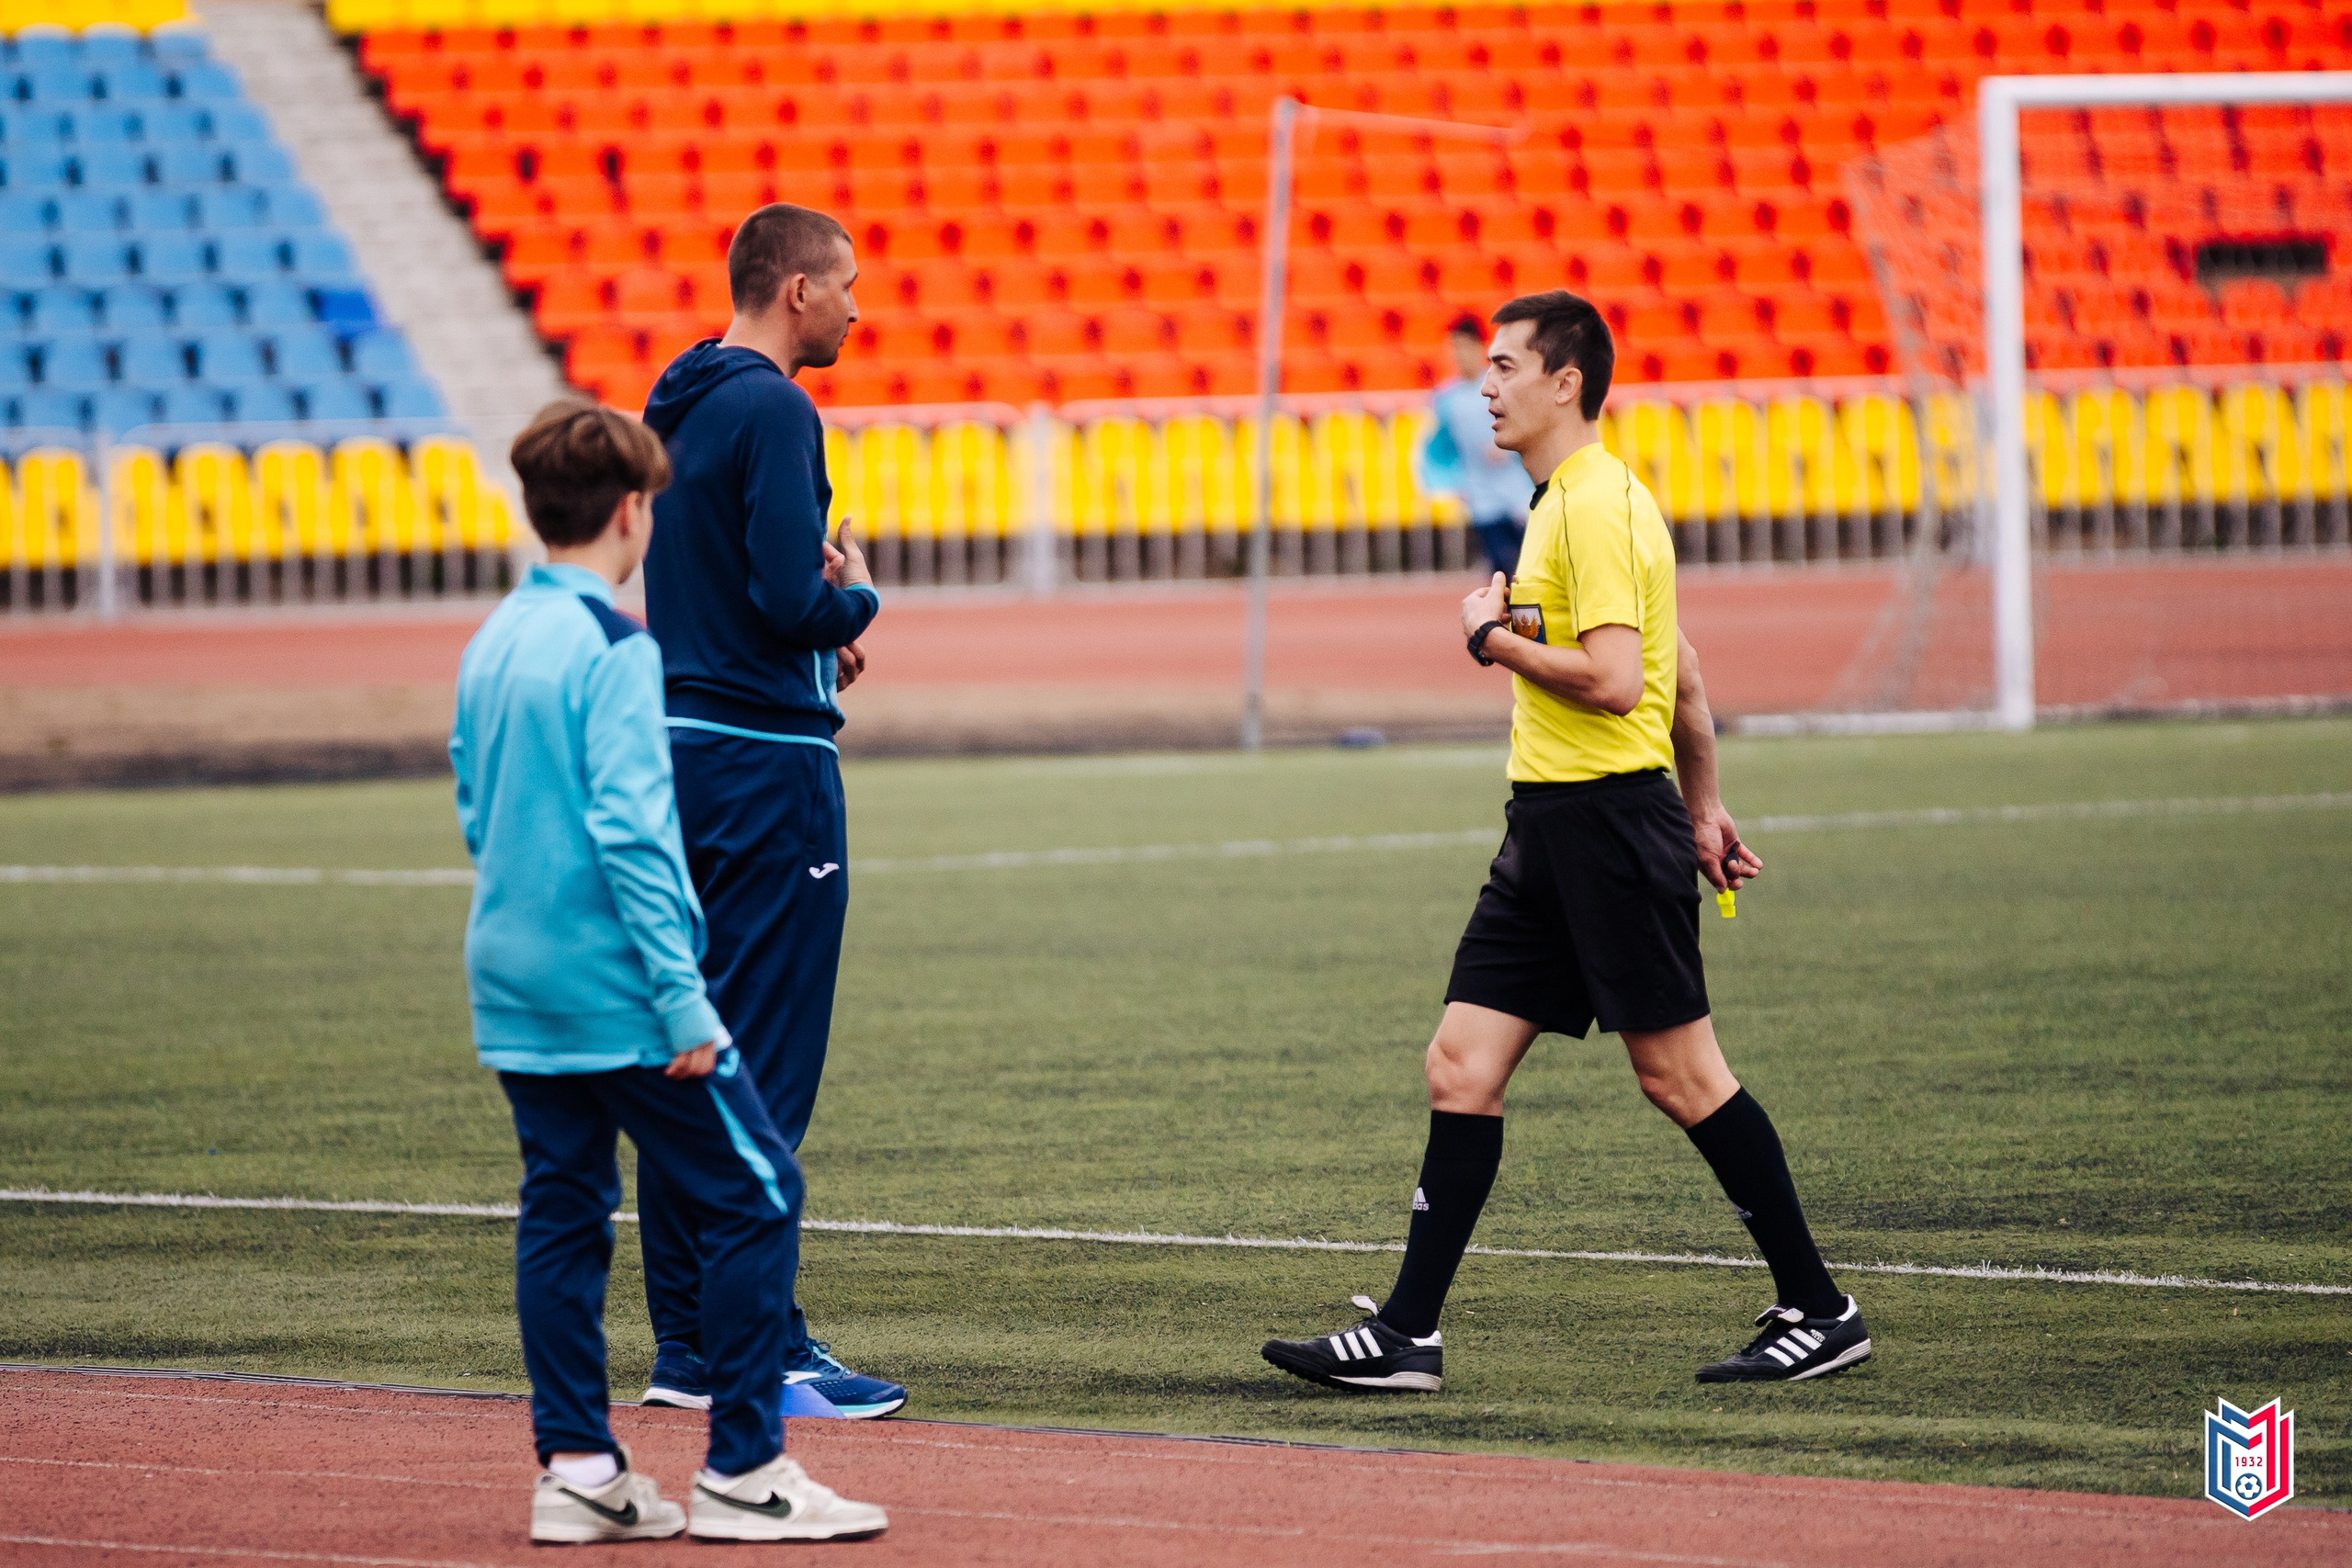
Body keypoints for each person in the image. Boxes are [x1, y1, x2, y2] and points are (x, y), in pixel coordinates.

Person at [1261, 292, 1870, 1393]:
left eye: (1502, 368)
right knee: (1460, 1064)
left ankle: (1820, 1309)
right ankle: (1407, 1335)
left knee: (1681, 1078)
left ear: (1564, 384)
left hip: (1600, 824)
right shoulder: (1570, 502)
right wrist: (1706, 804)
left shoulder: (1591, 507)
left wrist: (1487, 637)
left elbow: (1618, 681)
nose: (1482, 387)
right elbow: (1680, 674)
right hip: (1549, 829)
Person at [450, 400, 887, 1544]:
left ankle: (580, 1470)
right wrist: (683, 1000)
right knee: (756, 1189)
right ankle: (744, 1470)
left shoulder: (492, 637)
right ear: (634, 511)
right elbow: (640, 838)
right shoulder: (614, 647)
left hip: (509, 976)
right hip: (617, 988)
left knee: (563, 1211)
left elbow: (470, 803)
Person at [633, 204, 906, 1420]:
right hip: (765, 768)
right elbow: (793, 596)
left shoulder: (675, 399)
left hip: (679, 751)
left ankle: (688, 1345)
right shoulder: (779, 407)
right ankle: (766, 1344)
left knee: (692, 1046)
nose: (860, 305)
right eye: (846, 283)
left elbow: (727, 592)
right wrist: (857, 604)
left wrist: (802, 633)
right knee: (762, 1067)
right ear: (794, 290)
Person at [1419, 312, 1532, 575]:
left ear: (1481, 347)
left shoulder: (1506, 385)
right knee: (1502, 570)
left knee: (1532, 567)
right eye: (1454, 348)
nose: (1459, 355)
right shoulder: (1446, 397)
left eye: (1464, 347)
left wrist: (1509, 447)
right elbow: (1438, 448)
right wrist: (1450, 482)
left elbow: (1533, 429)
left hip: (1519, 492)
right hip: (1482, 497)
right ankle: (1507, 616)